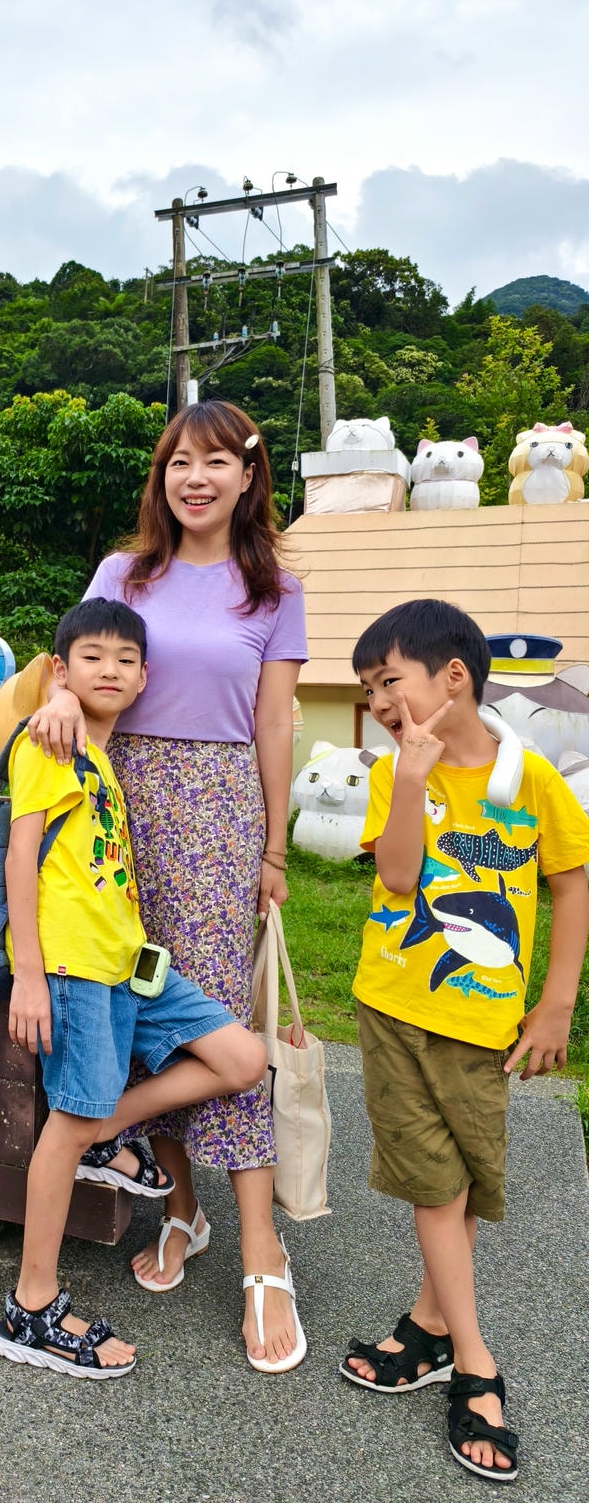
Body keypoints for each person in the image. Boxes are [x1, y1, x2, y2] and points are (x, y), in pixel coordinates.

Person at [28, 399, 308, 1372]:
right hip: (118, 801)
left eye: (216, 461)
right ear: (163, 474)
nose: (196, 477)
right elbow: (75, 663)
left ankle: (261, 1253)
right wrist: (62, 697)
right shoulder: (124, 572)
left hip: (220, 810)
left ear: (246, 473)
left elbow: (276, 726)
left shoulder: (275, 589)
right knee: (147, 1010)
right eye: (179, 461)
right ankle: (181, 1208)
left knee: (220, 1014)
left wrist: (274, 844)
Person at [342, 598, 589, 1484]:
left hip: (483, 1023)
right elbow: (400, 877)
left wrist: (555, 1002)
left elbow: (570, 883)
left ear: (454, 678)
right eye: (368, 688)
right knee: (437, 1188)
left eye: (388, 681)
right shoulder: (392, 774)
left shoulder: (531, 781)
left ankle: (428, 1329)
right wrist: (409, 777)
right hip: (394, 1009)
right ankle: (476, 1366)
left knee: (461, 1186)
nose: (377, 699)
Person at [0, 597, 268, 1379]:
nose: (108, 670)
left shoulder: (103, 756)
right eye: (90, 658)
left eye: (123, 659)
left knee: (241, 1058)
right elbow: (22, 860)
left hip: (131, 964)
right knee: (64, 1126)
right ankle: (31, 1307)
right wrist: (30, 975)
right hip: (74, 968)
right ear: (60, 669)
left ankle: (108, 1132)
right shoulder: (49, 741)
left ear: (143, 677)